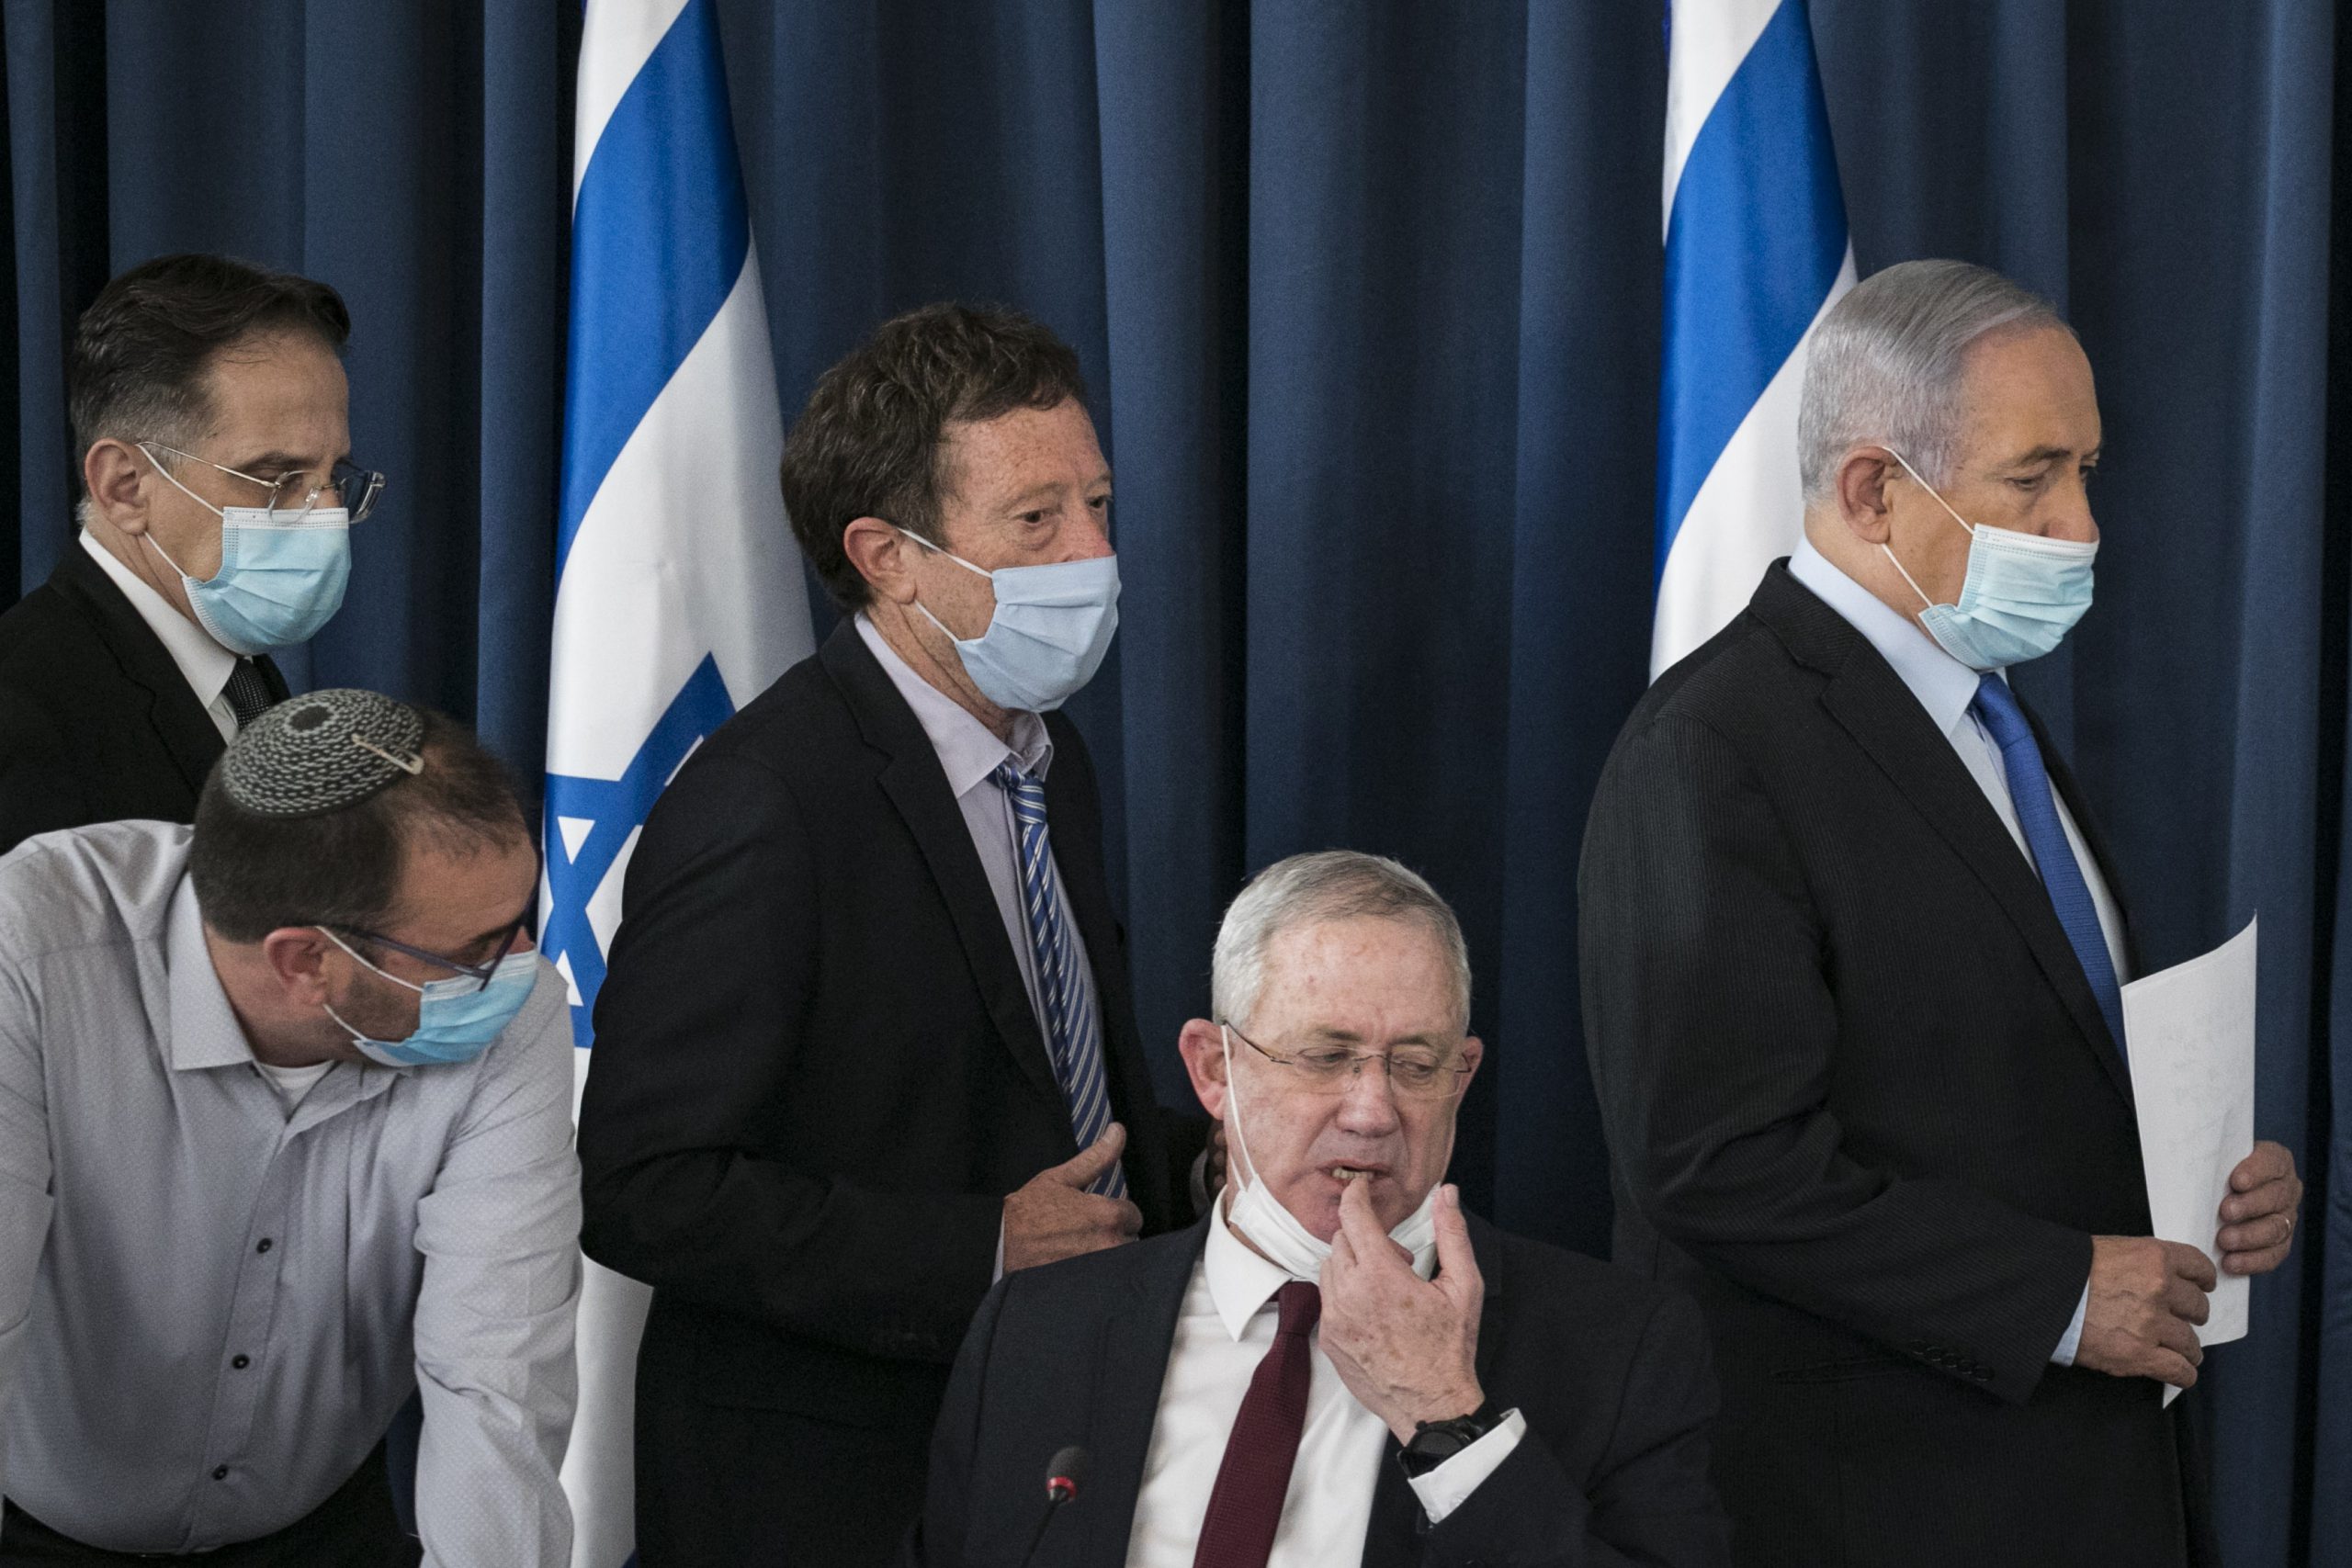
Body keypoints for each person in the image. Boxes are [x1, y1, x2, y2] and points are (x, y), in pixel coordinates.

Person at [1578, 259, 2304, 1568]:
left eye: (2086, 470)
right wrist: (2063, 1293)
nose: (2082, 526)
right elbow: (1715, 1165)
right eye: (2034, 478)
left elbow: (2012, 1071)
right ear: (1872, 490)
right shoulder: (1713, 748)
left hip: (2092, 1479)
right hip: (1885, 1501)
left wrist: (2199, 1183)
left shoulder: (1986, 709)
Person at [578, 303, 1192, 1566]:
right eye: (1037, 520)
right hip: (821, 1490)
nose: (1094, 552)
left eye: (1097, 504)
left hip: (1038, 1449)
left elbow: (1040, 1087)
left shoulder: (1049, 761)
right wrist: (982, 1249)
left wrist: (1206, 1164)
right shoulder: (765, 800)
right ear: (888, 556)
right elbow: (645, 1190)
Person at [908, 850, 1729, 1568]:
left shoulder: (1621, 1348)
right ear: (1214, 1070)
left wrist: (1446, 1418)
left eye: (1415, 1064)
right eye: (1326, 1056)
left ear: (1463, 1077)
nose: (1372, 1112)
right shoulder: (1035, 1331)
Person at [0, 689, 579, 1565]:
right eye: (476, 949)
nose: (522, 965)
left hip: (315, 1528)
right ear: (307, 959)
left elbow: (499, 1382)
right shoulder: (28, 953)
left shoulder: (516, 1010)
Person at [0, 253, 383, 856]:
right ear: (125, 487)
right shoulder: (20, 719)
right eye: (276, 478)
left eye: (332, 475)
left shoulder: (243, 677)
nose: (327, 513)